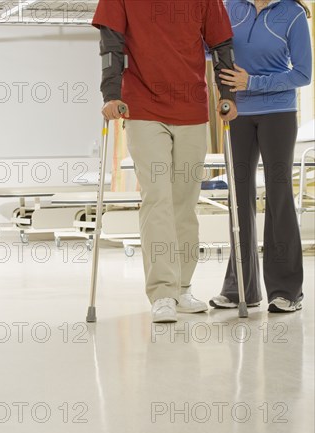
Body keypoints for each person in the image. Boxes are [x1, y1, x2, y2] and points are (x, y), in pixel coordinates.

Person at [92, 0, 238, 322]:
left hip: (192, 110)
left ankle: (183, 286)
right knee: (157, 198)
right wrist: (111, 94)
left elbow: (221, 44)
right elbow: (111, 45)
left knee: (184, 202)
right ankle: (162, 293)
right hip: (143, 108)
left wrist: (227, 95)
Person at [210, 0, 312, 313]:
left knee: (279, 194)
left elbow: (303, 74)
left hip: (278, 112)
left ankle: (287, 290)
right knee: (239, 197)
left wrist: (253, 82)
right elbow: (211, 47)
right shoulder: (229, 8)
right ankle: (240, 287)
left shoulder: (292, 13)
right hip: (238, 112)